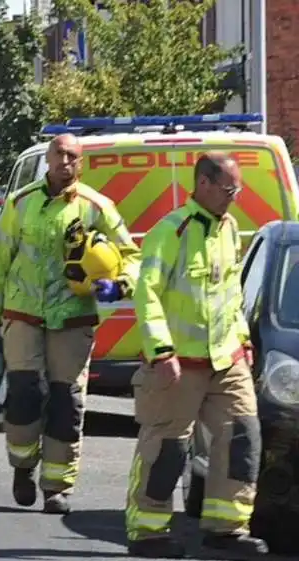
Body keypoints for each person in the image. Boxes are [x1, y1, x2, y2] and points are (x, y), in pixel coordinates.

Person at [0, 134, 140, 515]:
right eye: (59, 154)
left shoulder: (96, 207)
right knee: (24, 393)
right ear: (47, 159)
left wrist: (118, 284)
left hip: (72, 317)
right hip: (24, 314)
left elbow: (131, 254)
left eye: (72, 156)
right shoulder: (20, 203)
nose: (64, 161)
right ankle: (22, 465)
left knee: (67, 402)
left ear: (80, 164)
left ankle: (56, 486)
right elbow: (0, 258)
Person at [125, 152, 268, 558]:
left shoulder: (228, 228)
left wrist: (242, 340)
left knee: (241, 437)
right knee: (168, 447)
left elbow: (229, 294)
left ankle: (227, 529)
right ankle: (147, 532)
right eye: (228, 189)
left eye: (237, 189)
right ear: (203, 183)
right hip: (178, 364)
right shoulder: (171, 230)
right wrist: (161, 350)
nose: (234, 197)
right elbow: (146, 292)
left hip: (226, 360)